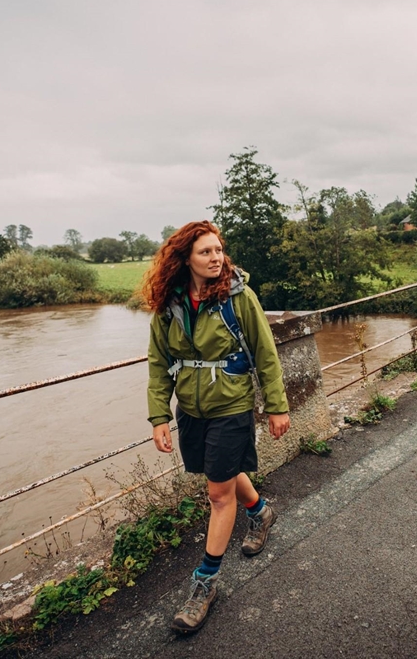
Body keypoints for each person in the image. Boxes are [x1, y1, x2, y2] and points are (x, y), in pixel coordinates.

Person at [142, 220, 291, 634]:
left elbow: (265, 352)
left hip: (231, 404)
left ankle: (204, 584)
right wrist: (158, 416)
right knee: (221, 475)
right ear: (184, 258)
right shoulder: (169, 305)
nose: (215, 258)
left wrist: (277, 406)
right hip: (190, 409)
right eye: (205, 251)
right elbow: (158, 364)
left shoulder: (238, 297)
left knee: (218, 493)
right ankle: (261, 512)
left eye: (219, 250)